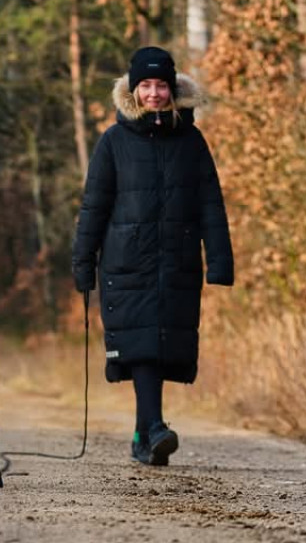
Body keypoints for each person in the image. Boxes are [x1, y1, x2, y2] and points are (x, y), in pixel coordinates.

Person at [72, 46, 233, 467]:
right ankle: (154, 429)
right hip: (127, 262)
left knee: (162, 345)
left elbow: (210, 203)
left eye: (161, 85)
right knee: (142, 346)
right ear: (133, 90)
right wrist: (82, 263)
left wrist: (220, 261)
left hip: (177, 260)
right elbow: (94, 205)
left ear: (173, 88)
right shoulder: (114, 141)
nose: (155, 93)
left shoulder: (192, 141)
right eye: (146, 85)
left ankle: (145, 436)